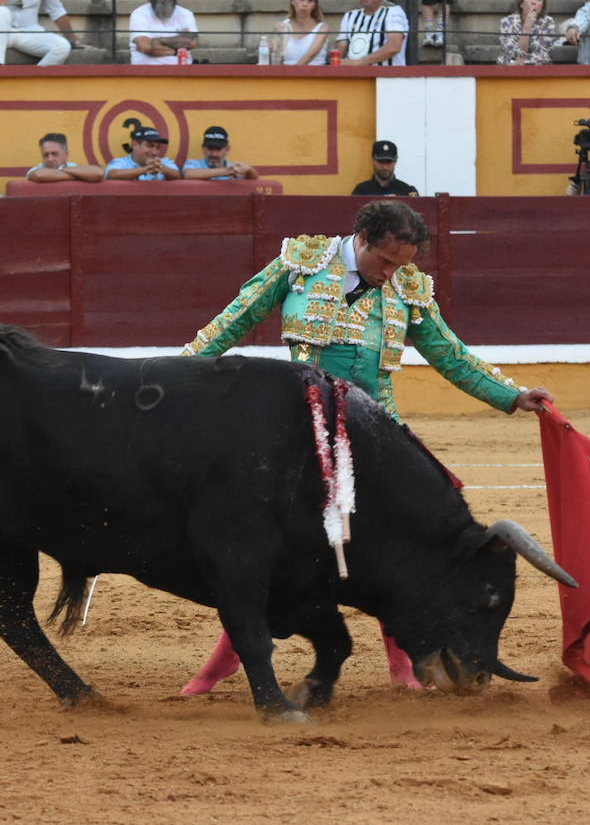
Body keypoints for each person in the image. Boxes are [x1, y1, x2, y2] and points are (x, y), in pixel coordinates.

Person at [178, 200, 553, 694]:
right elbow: (233, 320)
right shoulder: (302, 264)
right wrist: (176, 377)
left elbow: (450, 354)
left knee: (396, 553)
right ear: (363, 240)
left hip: (381, 443)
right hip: (303, 438)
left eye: (404, 264)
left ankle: (402, 668)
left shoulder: (408, 287)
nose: (393, 273)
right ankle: (222, 662)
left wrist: (512, 395)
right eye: (387, 262)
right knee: (278, 551)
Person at [335, 0, 408, 66]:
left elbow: (394, 47)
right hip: (354, 77)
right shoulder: (350, 16)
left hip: (386, 77)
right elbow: (340, 50)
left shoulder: (393, 11)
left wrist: (358, 63)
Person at [129, 0, 197, 65]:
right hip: (146, 75)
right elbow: (144, 46)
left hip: (181, 75)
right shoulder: (139, 13)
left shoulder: (186, 14)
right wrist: (177, 49)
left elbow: (192, 42)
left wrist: (158, 41)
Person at [496, 0, 557, 65]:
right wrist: (526, 27)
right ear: (521, 3)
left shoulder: (548, 23)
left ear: (542, 7)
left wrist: (528, 26)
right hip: (510, 69)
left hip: (537, 70)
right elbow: (514, 54)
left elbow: (541, 55)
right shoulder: (507, 22)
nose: (534, 2)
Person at [274, 0, 328, 66]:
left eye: (310, 1)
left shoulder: (322, 27)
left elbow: (310, 56)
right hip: (287, 76)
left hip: (315, 76)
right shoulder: (284, 26)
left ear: (314, 5)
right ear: (292, 1)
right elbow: (276, 59)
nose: (305, 4)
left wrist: (293, 74)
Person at [181, 126, 260, 181]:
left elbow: (254, 182)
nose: (214, 154)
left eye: (218, 149)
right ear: (203, 148)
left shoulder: (234, 168)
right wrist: (228, 171)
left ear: (227, 149)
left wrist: (250, 170)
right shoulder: (194, 163)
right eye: (210, 148)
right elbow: (188, 174)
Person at [104, 126, 179, 181]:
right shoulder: (121, 162)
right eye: (150, 146)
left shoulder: (165, 162)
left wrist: (162, 168)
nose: (155, 152)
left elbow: (177, 175)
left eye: (158, 147)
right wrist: (146, 169)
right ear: (135, 144)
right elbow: (112, 174)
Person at [26, 132, 104, 183]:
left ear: (66, 154)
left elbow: (98, 173)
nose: (50, 159)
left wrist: (61, 170)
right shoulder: (36, 169)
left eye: (54, 154)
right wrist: (80, 176)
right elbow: (40, 175)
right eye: (46, 155)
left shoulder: (72, 166)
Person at [351, 140, 418, 196]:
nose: (384, 167)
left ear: (396, 161)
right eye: (381, 161)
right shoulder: (361, 191)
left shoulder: (407, 192)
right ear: (373, 160)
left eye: (389, 162)